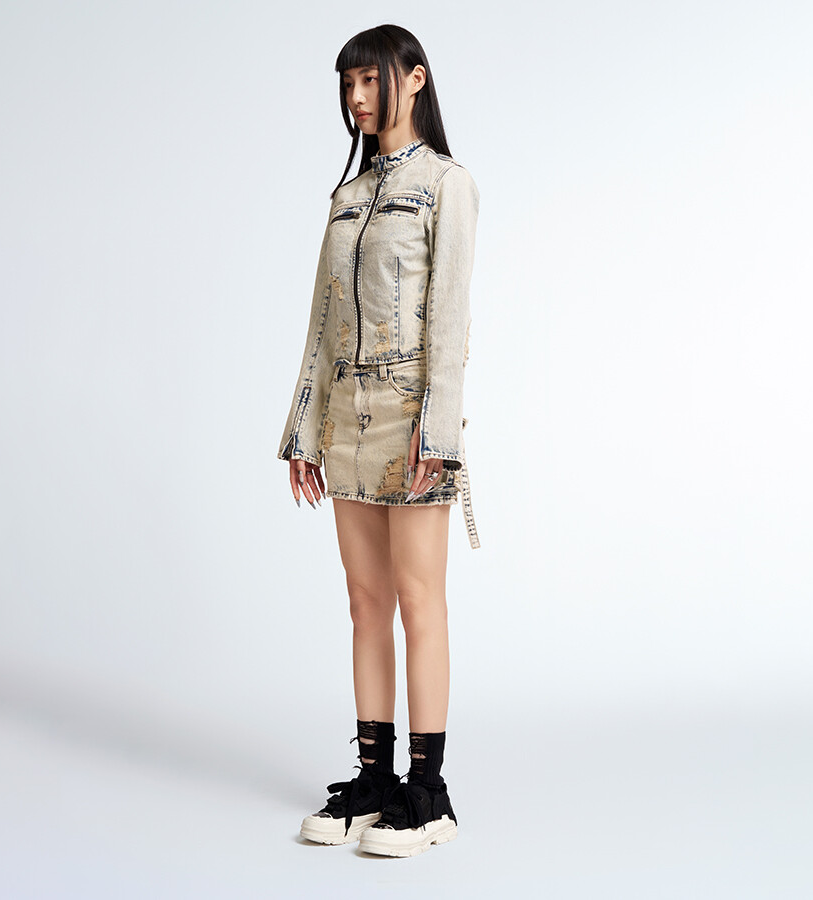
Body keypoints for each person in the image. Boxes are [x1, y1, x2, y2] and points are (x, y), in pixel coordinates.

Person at [277, 23, 480, 858]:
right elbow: (322, 324)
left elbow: (451, 322)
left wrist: (440, 430)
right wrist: (302, 429)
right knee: (366, 601)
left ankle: (427, 795)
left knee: (420, 600)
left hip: (411, 423)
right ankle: (374, 781)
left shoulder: (446, 186)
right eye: (348, 84)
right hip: (346, 423)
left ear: (415, 78)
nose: (357, 98)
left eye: (370, 80)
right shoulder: (348, 197)